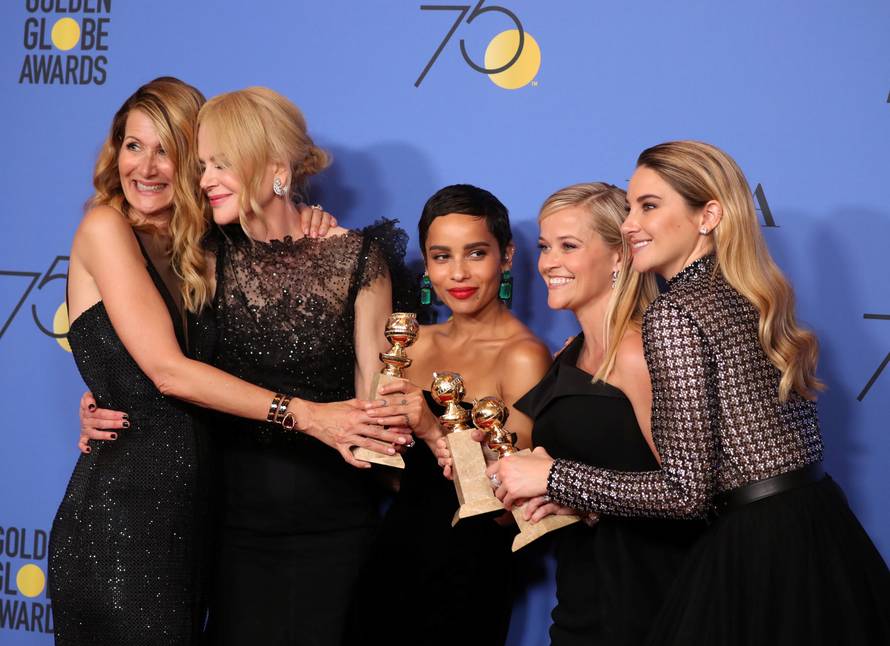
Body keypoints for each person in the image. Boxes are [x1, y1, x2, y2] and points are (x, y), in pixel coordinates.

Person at [52, 78, 406, 646]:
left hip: (203, 518)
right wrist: (109, 393)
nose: (146, 166)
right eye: (133, 145)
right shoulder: (106, 228)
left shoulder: (205, 250)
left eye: (170, 151)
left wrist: (304, 223)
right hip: (129, 515)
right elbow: (164, 371)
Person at [491, 141, 890, 645]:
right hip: (818, 530)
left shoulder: (673, 313)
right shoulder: (740, 289)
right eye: (632, 206)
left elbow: (685, 495)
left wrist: (554, 476)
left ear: (709, 215)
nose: (631, 222)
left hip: (757, 551)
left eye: (649, 206)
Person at [438, 182, 703, 645]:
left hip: (648, 594)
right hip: (584, 589)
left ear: (619, 255)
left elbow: (689, 498)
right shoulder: (571, 355)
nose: (548, 263)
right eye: (544, 247)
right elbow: (575, 486)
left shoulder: (639, 352)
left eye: (569, 246)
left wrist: (568, 488)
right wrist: (486, 471)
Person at [352, 184, 552, 645]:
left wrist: (429, 428)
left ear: (505, 258)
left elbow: (509, 507)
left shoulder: (523, 356)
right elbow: (393, 475)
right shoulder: (413, 343)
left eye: (476, 253)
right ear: (426, 264)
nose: (458, 273)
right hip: (392, 554)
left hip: (467, 570)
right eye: (441, 256)